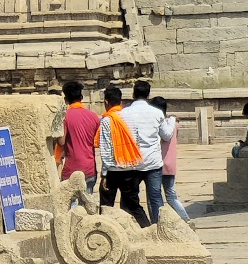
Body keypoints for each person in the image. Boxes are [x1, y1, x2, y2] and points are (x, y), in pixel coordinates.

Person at [123, 78, 175, 223]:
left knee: (130, 199)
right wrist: (171, 122)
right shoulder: (157, 113)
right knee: (155, 198)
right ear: (148, 95)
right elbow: (166, 135)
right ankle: (159, 227)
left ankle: (134, 227)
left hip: (133, 162)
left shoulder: (125, 113)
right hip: (153, 162)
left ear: (133, 94)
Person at [97, 84, 148, 226]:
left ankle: (105, 232)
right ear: (121, 102)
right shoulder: (131, 118)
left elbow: (106, 149)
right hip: (131, 168)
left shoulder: (107, 120)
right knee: (133, 205)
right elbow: (136, 141)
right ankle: (147, 229)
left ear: (106, 102)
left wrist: (104, 175)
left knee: (106, 208)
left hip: (113, 170)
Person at [151, 96, 191, 222]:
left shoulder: (157, 124)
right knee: (172, 196)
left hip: (158, 163)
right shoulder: (174, 124)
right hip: (171, 164)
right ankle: (186, 219)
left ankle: (156, 221)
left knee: (154, 196)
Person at [57, 78, 100, 193]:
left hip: (72, 171)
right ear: (81, 98)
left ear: (65, 99)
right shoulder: (94, 116)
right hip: (90, 169)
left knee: (71, 208)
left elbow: (61, 142)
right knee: (88, 206)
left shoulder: (65, 117)